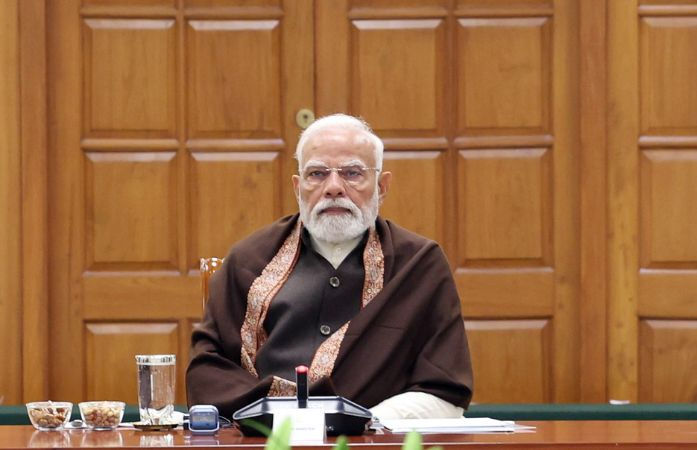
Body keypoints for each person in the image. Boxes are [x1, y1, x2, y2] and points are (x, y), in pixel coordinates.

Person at [186, 114, 473, 420]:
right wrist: (276, 416)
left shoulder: (419, 265)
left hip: (376, 437)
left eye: (352, 173)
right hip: (267, 437)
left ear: (382, 186)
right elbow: (207, 371)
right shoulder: (248, 261)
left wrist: (364, 425)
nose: (333, 188)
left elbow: (445, 388)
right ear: (298, 187)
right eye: (317, 174)